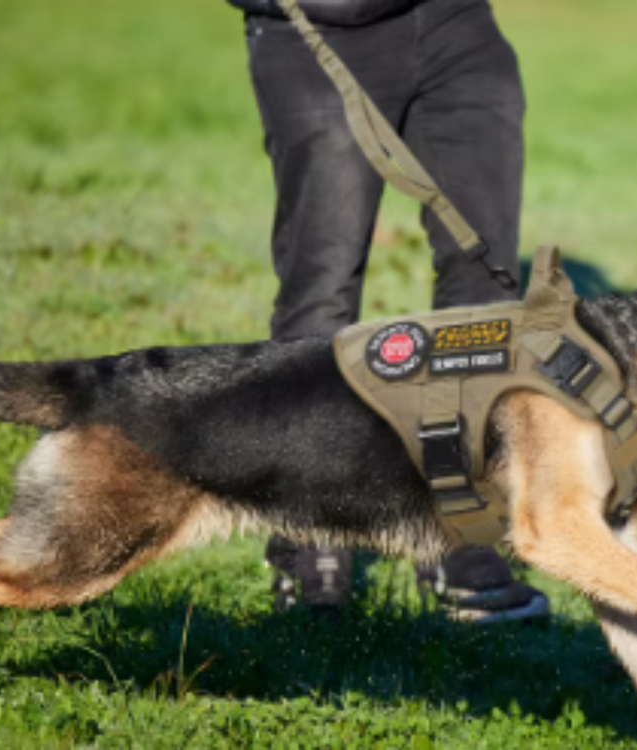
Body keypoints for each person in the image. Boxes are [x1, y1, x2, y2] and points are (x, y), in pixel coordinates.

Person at [229, 0, 547, 622]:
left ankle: (459, 525)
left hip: (455, 24)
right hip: (316, 24)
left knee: (483, 294)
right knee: (322, 287)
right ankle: (311, 528)